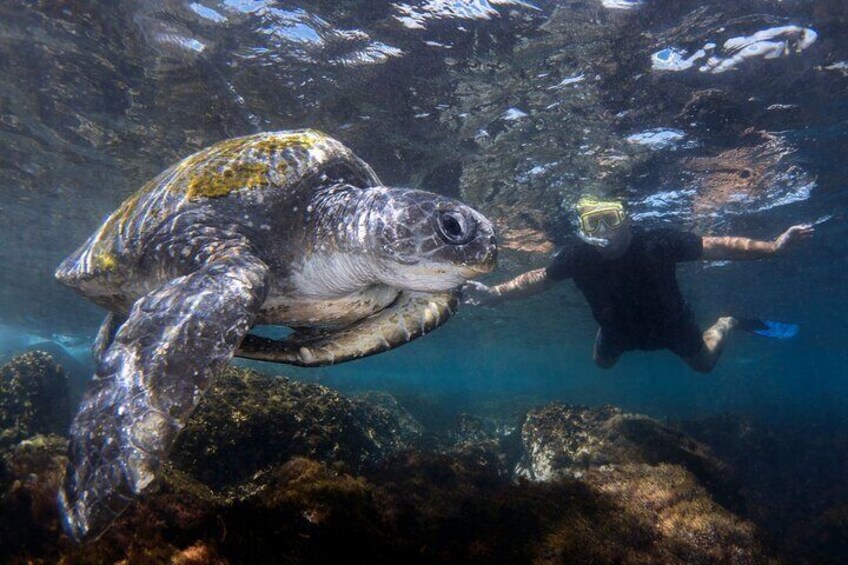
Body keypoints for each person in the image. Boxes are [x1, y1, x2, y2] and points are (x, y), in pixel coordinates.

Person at [463, 196, 814, 373]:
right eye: (594, 222)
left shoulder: (658, 243)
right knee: (601, 365)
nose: (604, 231)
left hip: (671, 324)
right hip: (617, 329)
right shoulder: (577, 256)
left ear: (627, 219)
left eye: (611, 219)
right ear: (584, 227)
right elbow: (537, 280)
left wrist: (773, 247)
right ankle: (606, 333)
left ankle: (728, 321)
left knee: (704, 366)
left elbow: (718, 245)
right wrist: (493, 294)